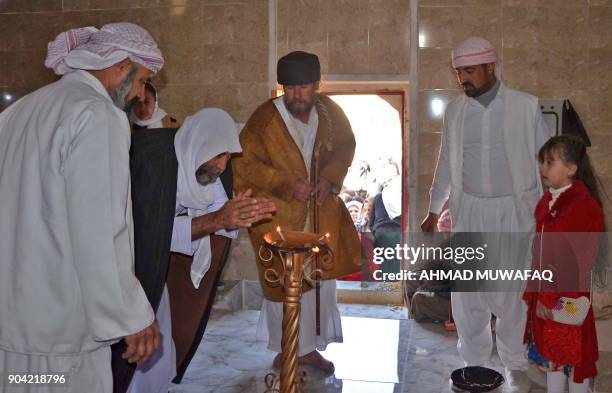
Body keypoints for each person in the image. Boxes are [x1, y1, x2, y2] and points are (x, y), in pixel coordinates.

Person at [0, 22, 164, 393]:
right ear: (122, 65)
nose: (141, 95)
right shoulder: (96, 115)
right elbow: (101, 232)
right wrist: (132, 316)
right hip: (62, 330)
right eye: (142, 80)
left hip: (11, 321)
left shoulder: (21, 110)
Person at [420, 37, 552, 393]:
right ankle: (474, 363)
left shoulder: (526, 107)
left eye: (470, 70)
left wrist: (553, 205)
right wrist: (434, 209)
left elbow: (546, 162)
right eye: (459, 71)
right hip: (471, 212)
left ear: (491, 67)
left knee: (511, 293)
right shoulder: (455, 111)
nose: (463, 78)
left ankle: (514, 365)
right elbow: (446, 162)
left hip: (513, 210)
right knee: (468, 295)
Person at [113, 108, 276, 393]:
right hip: (121, 270)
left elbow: (219, 214)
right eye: (218, 155)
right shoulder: (153, 165)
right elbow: (149, 233)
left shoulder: (210, 172)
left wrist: (240, 214)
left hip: (151, 270)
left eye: (228, 156)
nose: (223, 166)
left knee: (157, 346)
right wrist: (219, 219)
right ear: (198, 146)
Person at [233, 51, 361, 373]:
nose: (295, 95)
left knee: (318, 285)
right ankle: (286, 348)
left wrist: (329, 180)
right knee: (282, 286)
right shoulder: (264, 119)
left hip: (319, 214)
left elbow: (346, 146)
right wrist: (288, 184)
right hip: (276, 218)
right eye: (289, 88)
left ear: (317, 85)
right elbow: (244, 165)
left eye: (303, 87)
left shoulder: (330, 113)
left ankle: (308, 350)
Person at [524, 135, 604, 393]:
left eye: (549, 162)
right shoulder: (548, 202)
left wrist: (553, 299)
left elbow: (580, 262)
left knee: (574, 367)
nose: (542, 168)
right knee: (554, 362)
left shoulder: (582, 206)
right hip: (548, 295)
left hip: (567, 298)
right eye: (542, 162)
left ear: (571, 168)